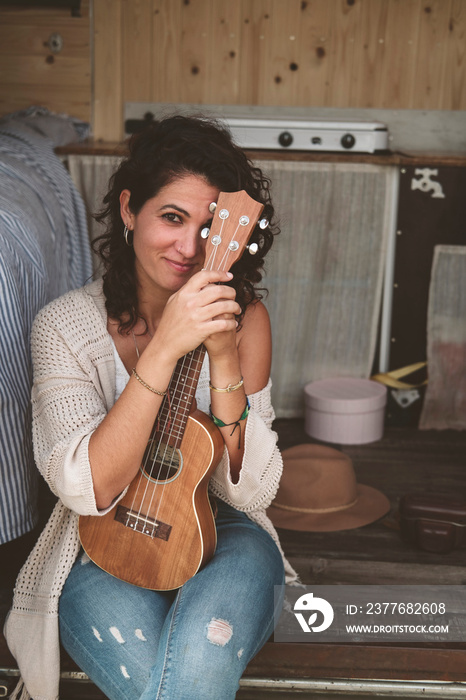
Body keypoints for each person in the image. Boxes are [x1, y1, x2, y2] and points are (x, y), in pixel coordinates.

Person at [5, 115, 297, 700]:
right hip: (99, 541)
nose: (190, 249)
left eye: (210, 227)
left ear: (236, 238)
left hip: (226, 530)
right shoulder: (65, 325)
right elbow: (90, 488)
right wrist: (164, 347)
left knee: (199, 649)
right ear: (129, 209)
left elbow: (249, 493)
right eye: (172, 218)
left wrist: (225, 359)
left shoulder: (246, 321)